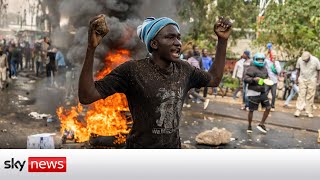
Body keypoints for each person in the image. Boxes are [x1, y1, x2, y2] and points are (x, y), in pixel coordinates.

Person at [78, 15, 232, 148]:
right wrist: (91, 48)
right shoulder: (133, 70)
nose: (178, 42)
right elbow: (87, 96)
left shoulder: (185, 70)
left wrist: (222, 41)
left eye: (178, 37)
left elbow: (214, 79)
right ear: (154, 44)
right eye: (170, 37)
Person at [243, 53, 271, 134]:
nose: (260, 61)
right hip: (253, 92)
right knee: (251, 110)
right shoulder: (251, 68)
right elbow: (245, 78)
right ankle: (249, 126)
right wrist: (254, 79)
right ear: (255, 59)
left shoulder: (265, 69)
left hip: (262, 92)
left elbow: (266, 78)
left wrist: (267, 80)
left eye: (261, 59)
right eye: (258, 59)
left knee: (268, 107)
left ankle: (261, 124)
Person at [294, 51, 320, 118]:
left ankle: (309, 111)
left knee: (310, 96)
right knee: (301, 94)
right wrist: (296, 79)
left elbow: (318, 70)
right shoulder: (300, 59)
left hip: (312, 79)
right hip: (302, 78)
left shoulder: (315, 60)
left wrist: (318, 80)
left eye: (306, 60)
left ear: (309, 57)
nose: (304, 61)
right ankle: (298, 110)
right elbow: (298, 70)